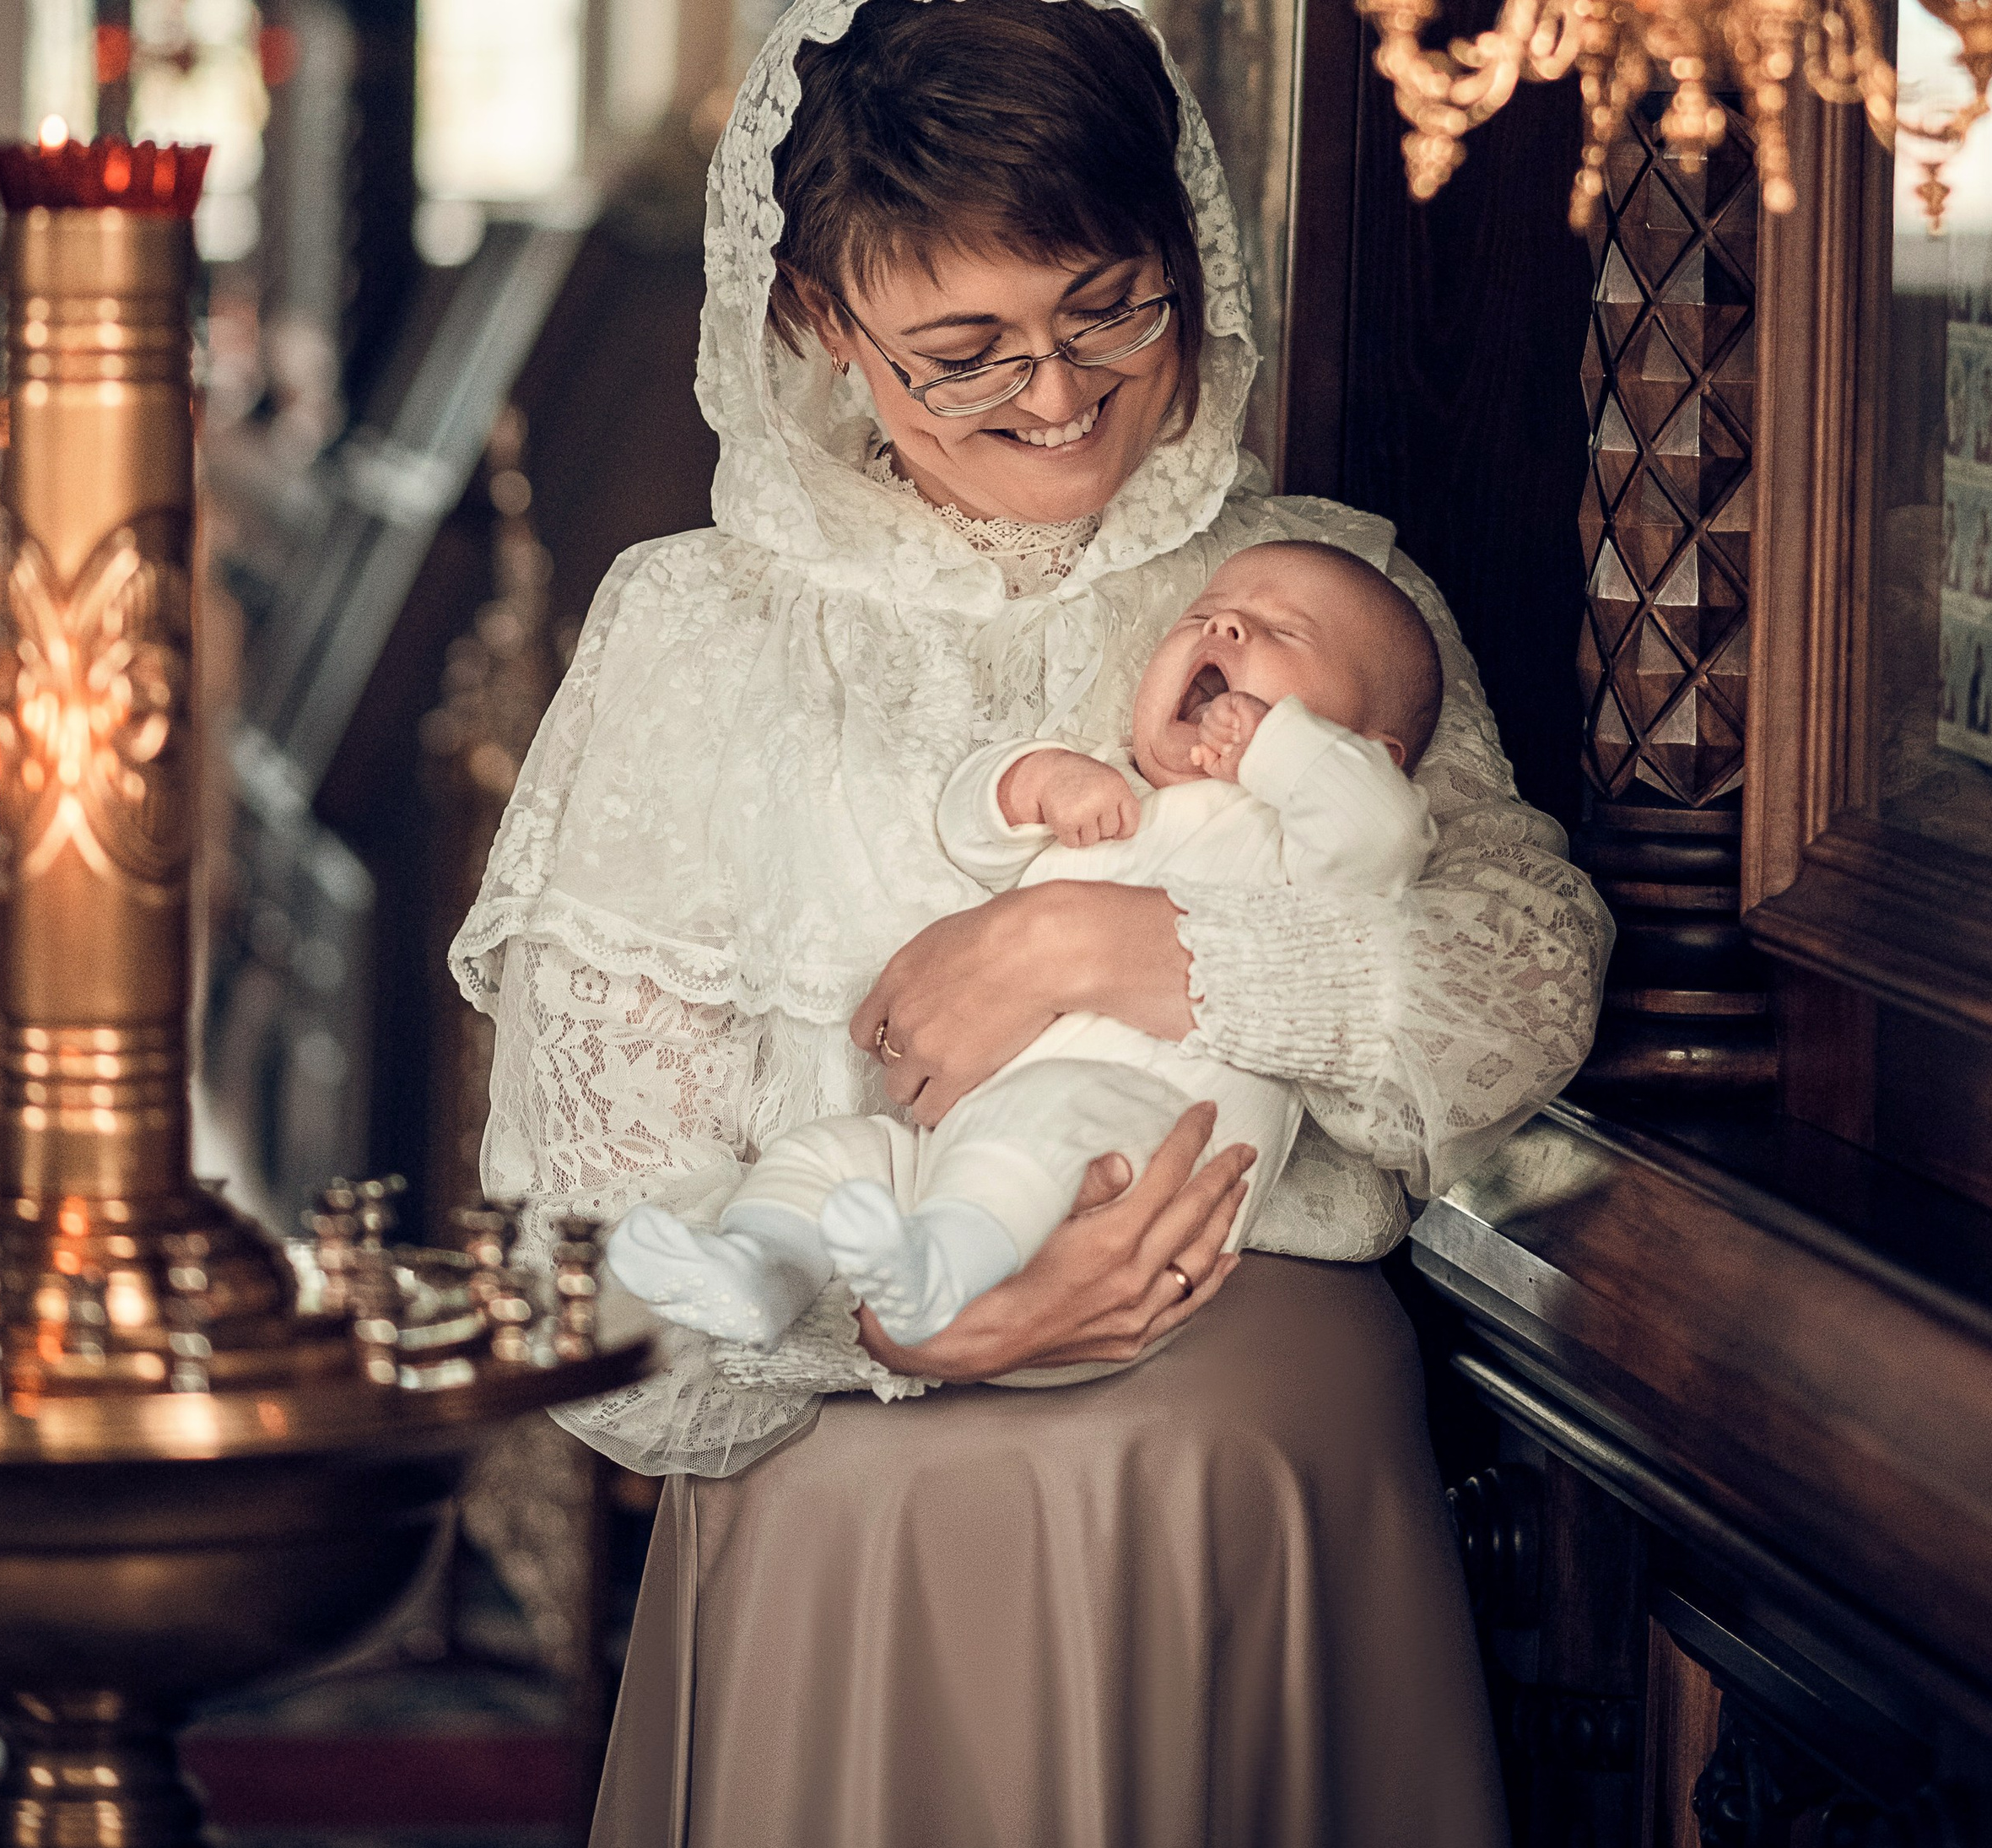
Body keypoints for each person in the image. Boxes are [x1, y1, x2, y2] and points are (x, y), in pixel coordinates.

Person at [451, 0, 1612, 1848]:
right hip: (848, 1474)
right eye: (964, 352)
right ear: (818, 311)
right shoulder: (691, 634)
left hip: (1247, 1484)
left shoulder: (1306, 587)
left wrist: (1126, 951)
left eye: (1107, 311)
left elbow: (1518, 978)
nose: (1059, 393)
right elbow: (593, 1242)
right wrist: (918, 1331)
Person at [603, 541, 1440, 1350]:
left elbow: (1384, 830)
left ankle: (944, 1273)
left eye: (1283, 632)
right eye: (1206, 614)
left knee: (1043, 1112)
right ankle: (761, 1272)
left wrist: (1282, 752)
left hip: (1133, 1188)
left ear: (1369, 753)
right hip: (969, 1160)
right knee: (829, 1156)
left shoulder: (1303, 848)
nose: (1223, 631)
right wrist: (1038, 781)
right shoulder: (1118, 791)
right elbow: (971, 831)